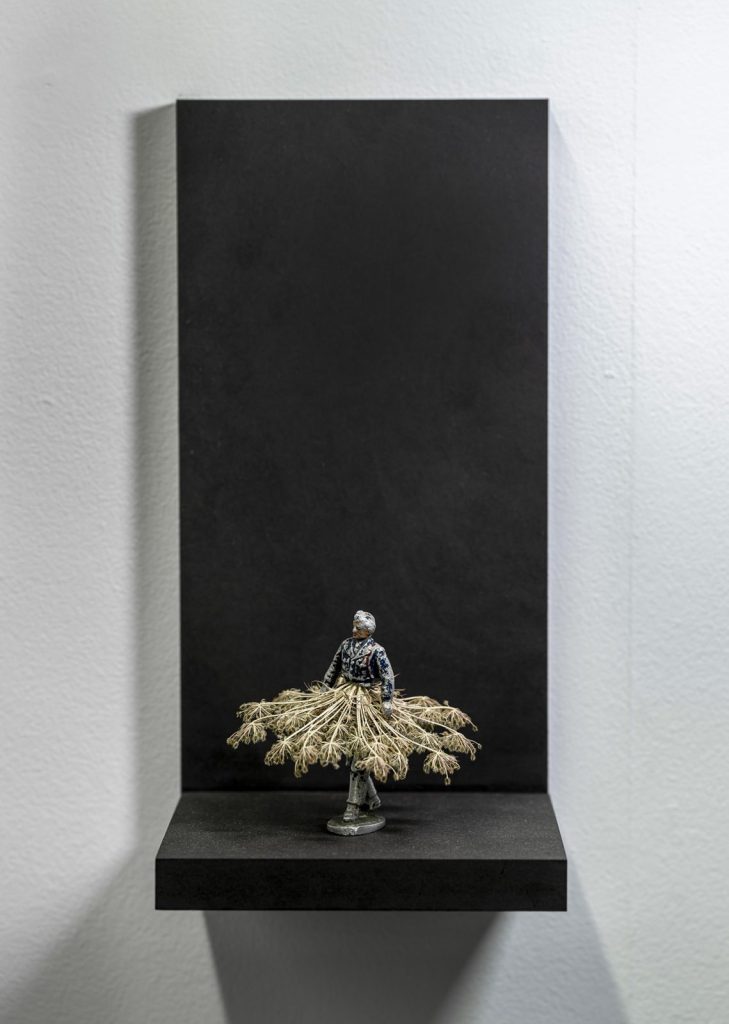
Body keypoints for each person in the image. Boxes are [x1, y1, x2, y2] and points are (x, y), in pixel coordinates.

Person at [322, 609, 394, 822]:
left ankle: (353, 806)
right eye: (354, 626)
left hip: (366, 700)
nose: (354, 630)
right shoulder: (345, 645)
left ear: (368, 631)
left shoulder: (377, 650)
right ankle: (372, 798)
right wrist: (326, 687)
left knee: (360, 756)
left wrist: (387, 699)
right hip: (345, 696)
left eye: (359, 628)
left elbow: (387, 676)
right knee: (351, 754)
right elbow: (334, 666)